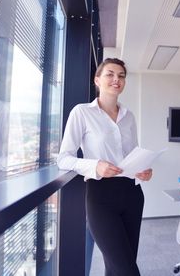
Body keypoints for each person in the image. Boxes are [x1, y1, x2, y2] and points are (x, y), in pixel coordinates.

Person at [57, 58, 152, 276]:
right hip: (101, 197)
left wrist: (144, 169)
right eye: (110, 74)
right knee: (127, 269)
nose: (116, 79)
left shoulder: (129, 117)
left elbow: (133, 154)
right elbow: (63, 158)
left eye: (121, 76)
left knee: (117, 266)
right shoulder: (82, 112)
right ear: (97, 80)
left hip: (133, 194)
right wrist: (95, 166)